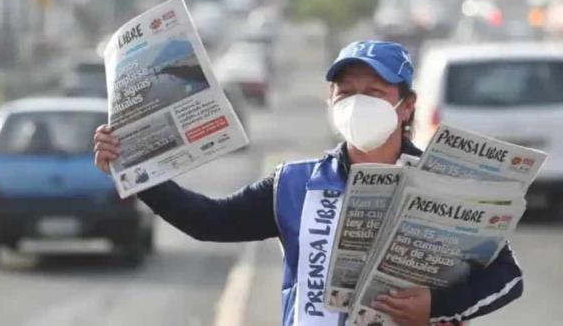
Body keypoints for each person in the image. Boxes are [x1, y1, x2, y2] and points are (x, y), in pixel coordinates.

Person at [93, 41, 523, 326]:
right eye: (345, 93)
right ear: (331, 103)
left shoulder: (443, 180)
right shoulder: (295, 184)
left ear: (406, 106)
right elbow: (209, 221)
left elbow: (507, 277)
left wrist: (437, 307)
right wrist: (135, 170)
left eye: (374, 93)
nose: (358, 103)